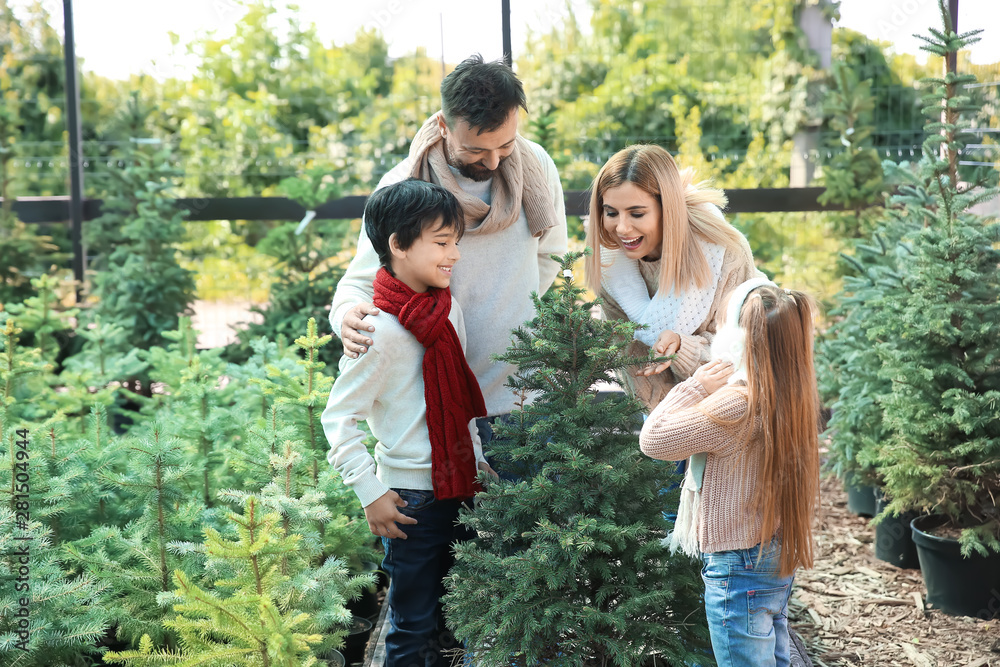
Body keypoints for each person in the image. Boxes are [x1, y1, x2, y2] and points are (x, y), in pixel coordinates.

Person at [330, 54, 568, 454]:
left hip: (525, 396)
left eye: (506, 145)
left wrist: (510, 312)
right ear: (444, 126)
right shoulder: (404, 185)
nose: (493, 161)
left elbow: (551, 256)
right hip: (440, 402)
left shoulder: (538, 166)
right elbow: (361, 281)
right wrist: (346, 317)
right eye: (476, 150)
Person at [321, 178, 496, 667]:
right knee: (412, 625)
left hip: (461, 490)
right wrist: (370, 493)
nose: (454, 254)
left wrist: (479, 466)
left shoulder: (448, 309)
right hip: (409, 503)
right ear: (397, 245)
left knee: (461, 619)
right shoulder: (376, 331)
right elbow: (338, 421)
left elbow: (460, 404)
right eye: (442, 243)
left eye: (455, 241)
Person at [637, 278, 821, 667]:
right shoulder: (791, 394)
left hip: (738, 564)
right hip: (772, 554)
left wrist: (695, 387)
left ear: (741, 340)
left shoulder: (734, 404)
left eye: (722, 323)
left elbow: (653, 440)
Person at [584, 144, 760, 414]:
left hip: (739, 411)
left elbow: (745, 351)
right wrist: (666, 429)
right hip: (664, 423)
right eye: (611, 213)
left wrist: (681, 346)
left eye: (637, 213)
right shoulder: (610, 266)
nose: (621, 227)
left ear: (668, 209)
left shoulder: (723, 251)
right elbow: (631, 361)